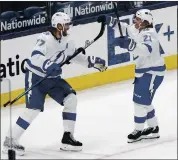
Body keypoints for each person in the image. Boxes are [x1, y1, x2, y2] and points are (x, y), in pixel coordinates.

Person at [3, 12, 107, 155]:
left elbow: (74, 56)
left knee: (71, 98)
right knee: (33, 110)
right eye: (66, 25)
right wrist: (48, 65)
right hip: (36, 77)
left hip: (53, 79)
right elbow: (35, 57)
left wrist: (91, 62)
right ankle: (10, 140)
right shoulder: (44, 38)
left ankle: (67, 138)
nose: (68, 27)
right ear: (58, 26)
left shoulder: (68, 40)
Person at [103, 9, 166, 143]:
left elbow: (144, 50)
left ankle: (138, 130)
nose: (135, 21)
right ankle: (154, 128)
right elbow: (124, 27)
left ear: (144, 22)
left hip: (152, 72)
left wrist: (128, 44)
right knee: (144, 101)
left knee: (139, 102)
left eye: (137, 19)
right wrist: (109, 20)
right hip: (143, 71)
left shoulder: (150, 34)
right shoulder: (136, 29)